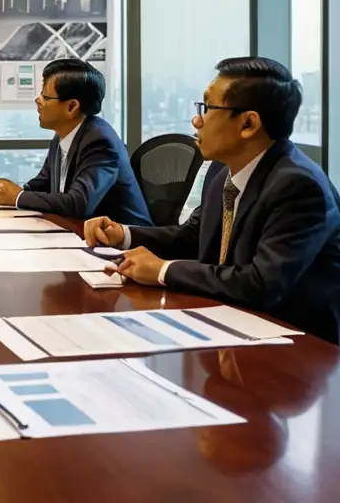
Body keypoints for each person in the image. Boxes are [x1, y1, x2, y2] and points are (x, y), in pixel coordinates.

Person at [84, 57, 340, 343]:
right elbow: (194, 236)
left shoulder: (299, 186)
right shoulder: (223, 169)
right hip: (228, 324)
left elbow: (261, 284)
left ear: (248, 123)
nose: (197, 120)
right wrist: (124, 235)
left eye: (207, 108)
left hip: (297, 348)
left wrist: (163, 270)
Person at [0, 58, 152, 225]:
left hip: (126, 245)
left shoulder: (99, 141)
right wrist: (8, 191)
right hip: (81, 234)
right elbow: (43, 184)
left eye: (45, 96)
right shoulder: (62, 137)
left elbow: (80, 203)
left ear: (71, 107)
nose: (37, 100)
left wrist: (18, 197)